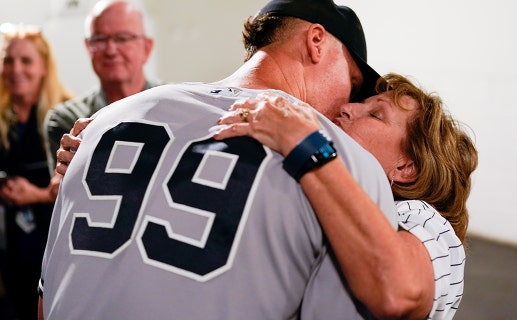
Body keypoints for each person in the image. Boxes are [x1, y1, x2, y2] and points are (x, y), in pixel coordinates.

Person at [38, 0, 408, 319]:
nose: (348, 103)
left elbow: (47, 292)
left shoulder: (106, 120)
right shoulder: (333, 159)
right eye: (353, 81)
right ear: (316, 42)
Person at [214, 72, 478, 319]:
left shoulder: (427, 221)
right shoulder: (319, 190)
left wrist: (307, 145)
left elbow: (399, 291)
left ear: (406, 167)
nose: (347, 108)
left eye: (375, 114)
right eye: (360, 103)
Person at [0, 22, 73, 320]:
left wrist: (38, 195)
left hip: (53, 247)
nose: (16, 69)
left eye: (26, 60)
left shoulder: (68, 115)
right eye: (8, 60)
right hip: (11, 253)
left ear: (43, 67)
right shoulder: (4, 120)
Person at [43, 0, 161, 177]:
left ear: (147, 47)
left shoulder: (179, 105)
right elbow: (62, 194)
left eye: (122, 38)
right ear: (88, 48)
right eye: (100, 39)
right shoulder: (68, 120)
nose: (111, 50)